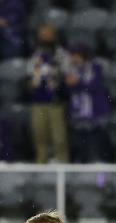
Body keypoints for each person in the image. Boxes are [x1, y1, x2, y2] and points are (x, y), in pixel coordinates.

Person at [27, 24, 70, 164]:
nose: (44, 37)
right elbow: (29, 75)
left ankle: (63, 165)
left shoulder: (61, 54)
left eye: (47, 34)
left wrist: (58, 79)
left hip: (55, 102)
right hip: (38, 101)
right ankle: (41, 165)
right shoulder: (35, 55)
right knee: (40, 137)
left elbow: (67, 74)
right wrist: (33, 80)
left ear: (54, 35)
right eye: (42, 34)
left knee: (59, 138)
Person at [66, 44, 113, 163]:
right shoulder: (71, 70)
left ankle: (99, 169)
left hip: (96, 110)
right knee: (81, 141)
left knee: (97, 139)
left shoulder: (96, 68)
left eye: (75, 55)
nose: (73, 58)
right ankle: (82, 163)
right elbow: (69, 89)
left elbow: (94, 86)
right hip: (79, 112)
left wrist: (78, 83)